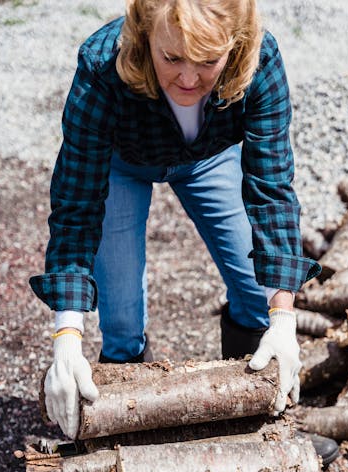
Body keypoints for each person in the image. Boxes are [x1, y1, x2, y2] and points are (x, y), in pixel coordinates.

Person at [30, 0, 321, 440]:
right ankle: (124, 431)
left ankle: (255, 425)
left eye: (208, 61)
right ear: (146, 33)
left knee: (256, 292)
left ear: (236, 44)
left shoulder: (261, 60)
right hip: (122, 164)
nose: (188, 79)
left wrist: (284, 319)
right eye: (171, 58)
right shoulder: (102, 64)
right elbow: (76, 204)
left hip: (208, 158)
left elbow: (272, 190)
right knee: (122, 320)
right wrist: (66, 336)